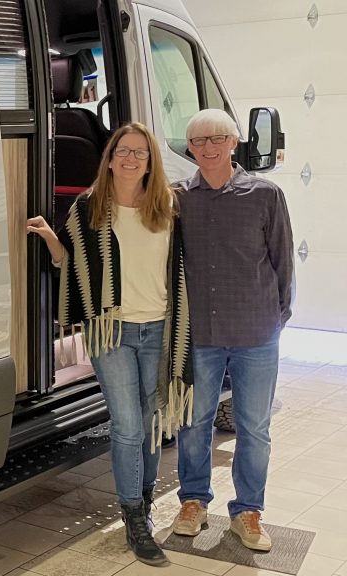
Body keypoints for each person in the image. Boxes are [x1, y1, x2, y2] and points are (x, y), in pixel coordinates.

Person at [27, 123, 193, 567]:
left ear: (150, 161)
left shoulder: (168, 206)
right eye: (123, 151)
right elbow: (73, 264)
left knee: (151, 422)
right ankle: (134, 517)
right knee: (128, 426)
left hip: (159, 329)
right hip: (112, 331)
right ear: (111, 157)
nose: (130, 158)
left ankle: (142, 500)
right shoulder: (89, 206)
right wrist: (50, 240)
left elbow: (184, 267)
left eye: (140, 152)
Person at [171, 109, 294, 552]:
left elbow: (283, 258)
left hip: (255, 331)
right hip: (200, 333)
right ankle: (193, 502)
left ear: (234, 142)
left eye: (217, 138)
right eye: (199, 141)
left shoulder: (265, 194)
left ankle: (247, 511)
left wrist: (278, 316)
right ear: (190, 149)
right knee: (194, 422)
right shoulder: (178, 197)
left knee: (254, 427)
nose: (208, 147)